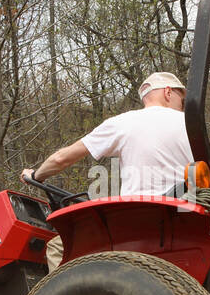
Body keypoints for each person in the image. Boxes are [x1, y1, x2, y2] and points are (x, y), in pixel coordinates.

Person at [22, 71, 193, 270]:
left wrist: (35, 175)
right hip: (184, 219)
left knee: (57, 248)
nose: (182, 105)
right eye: (181, 99)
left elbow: (61, 159)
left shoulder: (125, 122)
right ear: (168, 92)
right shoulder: (192, 126)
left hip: (139, 224)